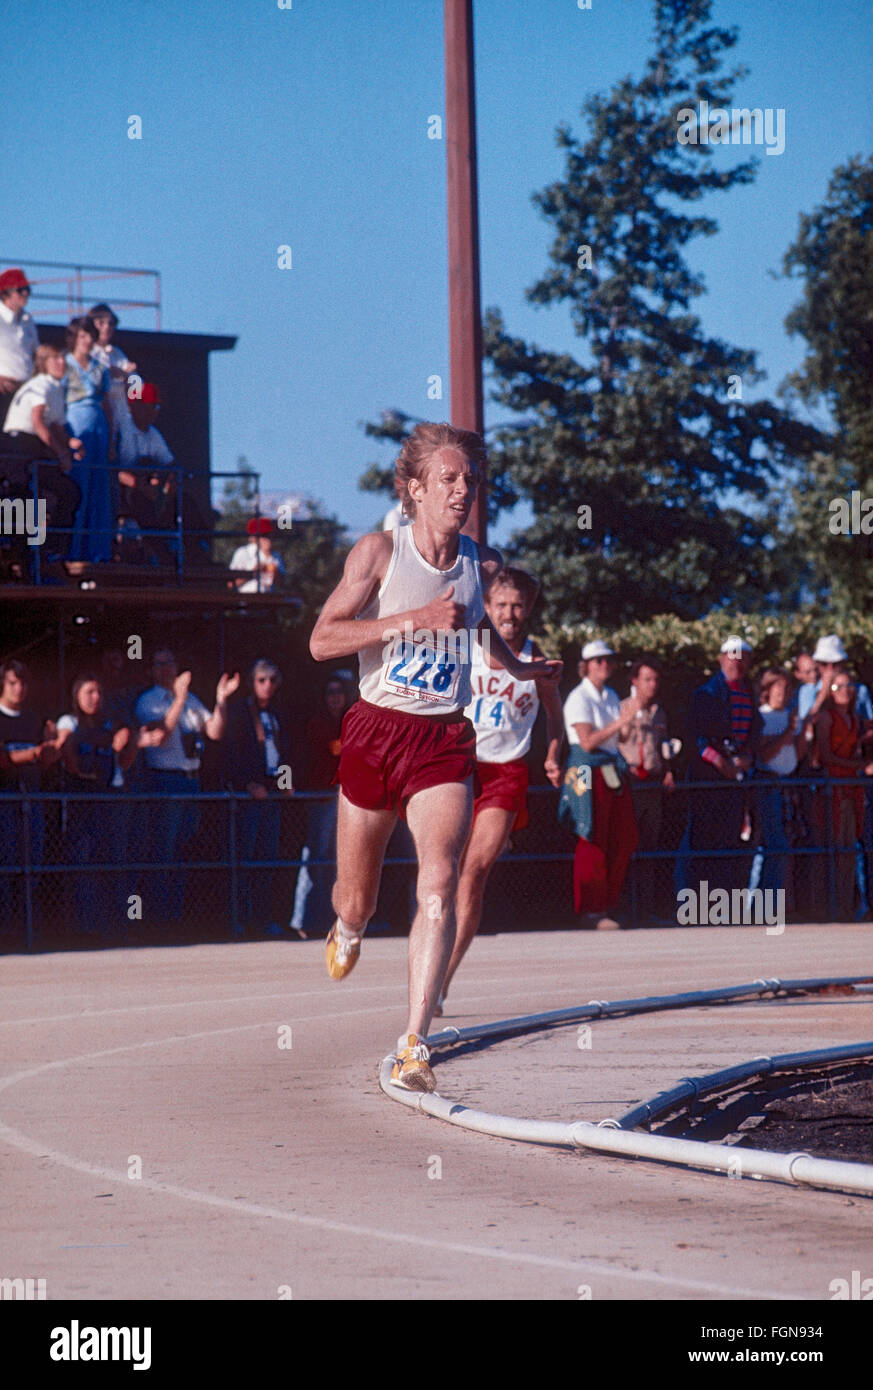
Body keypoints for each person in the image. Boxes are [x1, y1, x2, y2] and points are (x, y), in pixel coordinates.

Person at [309, 422, 561, 1092]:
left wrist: (522, 668)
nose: (461, 491)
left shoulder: (479, 563)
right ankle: (347, 925)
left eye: (468, 481)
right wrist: (409, 621)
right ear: (414, 490)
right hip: (374, 731)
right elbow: (321, 640)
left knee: (439, 885)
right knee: (356, 899)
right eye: (447, 480)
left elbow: (480, 635)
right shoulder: (378, 554)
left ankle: (416, 1040)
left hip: (442, 740)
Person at [436, 566, 563, 1013]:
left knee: (473, 873)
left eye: (517, 606)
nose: (509, 614)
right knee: (442, 874)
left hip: (505, 773)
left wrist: (552, 754)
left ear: (527, 609)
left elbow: (555, 715)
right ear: (486, 608)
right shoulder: (466, 646)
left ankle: (442, 981)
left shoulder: (537, 662)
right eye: (501, 605)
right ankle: (429, 958)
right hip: (459, 767)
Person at [134, 650, 240, 923]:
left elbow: (214, 731)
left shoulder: (192, 700)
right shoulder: (149, 701)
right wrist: (179, 697)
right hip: (165, 781)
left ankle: (176, 915)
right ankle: (157, 918)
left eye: (171, 662)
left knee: (185, 850)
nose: (167, 668)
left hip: (192, 780)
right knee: (163, 851)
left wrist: (221, 699)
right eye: (160, 664)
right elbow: (160, 736)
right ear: (151, 670)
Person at [561, 640, 639, 929]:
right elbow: (587, 742)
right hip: (584, 770)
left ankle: (608, 905)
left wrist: (629, 722)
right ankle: (591, 910)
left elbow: (615, 739)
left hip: (608, 769)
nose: (604, 665)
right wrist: (623, 722)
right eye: (598, 661)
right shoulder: (578, 698)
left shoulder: (610, 696)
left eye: (608, 660)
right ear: (586, 666)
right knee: (589, 835)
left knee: (621, 837)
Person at [679, 636, 763, 901]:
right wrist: (720, 762)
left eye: (742, 657)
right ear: (720, 658)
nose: (736, 662)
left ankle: (724, 902)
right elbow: (696, 738)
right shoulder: (706, 693)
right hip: (708, 779)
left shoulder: (750, 692)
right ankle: (700, 904)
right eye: (731, 655)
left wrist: (746, 757)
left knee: (731, 839)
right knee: (704, 839)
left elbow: (753, 733)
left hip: (734, 780)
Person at [224, 659, 293, 934]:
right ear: (252, 682)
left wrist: (285, 781)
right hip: (248, 794)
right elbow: (231, 754)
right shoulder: (240, 712)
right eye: (262, 680)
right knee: (244, 858)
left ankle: (263, 918)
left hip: (272, 790)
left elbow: (284, 751)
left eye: (273, 680)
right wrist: (248, 784)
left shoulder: (277, 714)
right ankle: (238, 919)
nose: (267, 685)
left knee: (268, 858)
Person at [0, 658, 66, 929]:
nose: (19, 689)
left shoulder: (34, 720)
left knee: (33, 864)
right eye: (13, 683)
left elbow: (47, 760)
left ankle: (28, 924)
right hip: (4, 802)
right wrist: (31, 754)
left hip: (32, 802)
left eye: (23, 683)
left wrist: (51, 752)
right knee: (6, 864)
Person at [289, 672, 356, 937]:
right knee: (314, 856)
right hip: (321, 795)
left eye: (340, 691)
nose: (335, 697)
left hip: (344, 795)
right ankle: (302, 920)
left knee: (336, 860)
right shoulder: (318, 721)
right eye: (330, 692)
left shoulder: (347, 718)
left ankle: (330, 918)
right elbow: (337, 748)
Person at [2, 343, 83, 560]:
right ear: (43, 363)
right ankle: (19, 556)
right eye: (55, 358)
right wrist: (61, 453)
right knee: (22, 499)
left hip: (36, 448)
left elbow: (55, 424)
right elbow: (37, 421)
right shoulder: (41, 385)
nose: (61, 362)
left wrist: (70, 443)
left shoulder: (55, 388)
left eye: (62, 358)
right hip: (19, 446)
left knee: (68, 492)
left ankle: (53, 549)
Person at [616, 656, 675, 914]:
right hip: (629, 783)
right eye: (647, 679)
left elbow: (664, 746)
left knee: (650, 847)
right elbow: (614, 743)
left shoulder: (659, 712)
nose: (652, 685)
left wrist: (669, 771)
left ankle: (647, 907)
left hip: (652, 784)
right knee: (626, 845)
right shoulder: (621, 708)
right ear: (635, 681)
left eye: (655, 680)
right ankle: (625, 906)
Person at [816, 673, 873, 921]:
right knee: (836, 846)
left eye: (850, 685)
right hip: (835, 787)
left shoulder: (854, 719)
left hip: (851, 786)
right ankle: (831, 906)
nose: (845, 690)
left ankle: (846, 905)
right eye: (839, 686)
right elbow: (826, 756)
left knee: (850, 848)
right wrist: (859, 766)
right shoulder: (827, 718)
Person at [64, 316, 114, 562]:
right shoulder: (64, 364)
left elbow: (107, 403)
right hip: (76, 425)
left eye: (90, 337)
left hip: (99, 427)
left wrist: (112, 437)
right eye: (82, 336)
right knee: (78, 487)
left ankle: (99, 552)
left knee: (99, 490)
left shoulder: (99, 367)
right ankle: (73, 550)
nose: (86, 341)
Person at [0, 268, 39, 424]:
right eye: (20, 290)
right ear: (5, 293)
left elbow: (36, 353)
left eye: (27, 289)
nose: (26, 294)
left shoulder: (27, 319)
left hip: (26, 390)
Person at [229, 517, 286, 593]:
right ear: (254, 538)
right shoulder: (243, 553)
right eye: (264, 535)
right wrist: (253, 573)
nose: (268, 539)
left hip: (269, 599)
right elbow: (231, 584)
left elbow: (282, 582)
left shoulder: (275, 556)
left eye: (270, 535)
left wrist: (275, 573)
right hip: (246, 598)